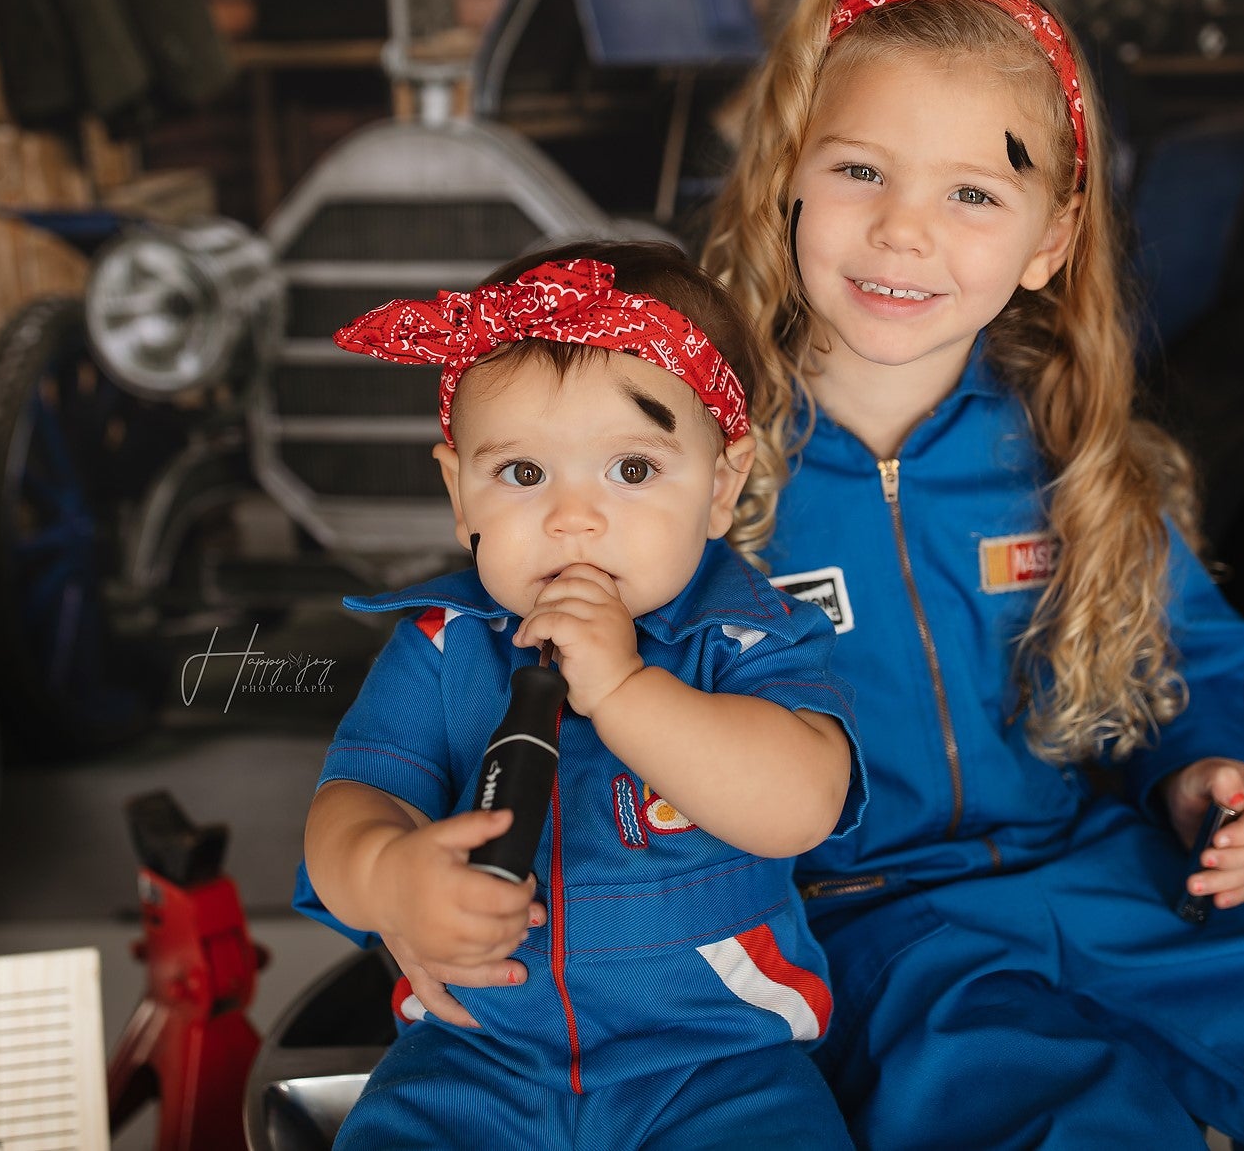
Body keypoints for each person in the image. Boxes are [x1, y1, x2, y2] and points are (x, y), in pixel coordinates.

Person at [683, 0, 1244, 1148]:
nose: (904, 227)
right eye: (858, 170)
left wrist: (1206, 771)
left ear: (1050, 240)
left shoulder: (1072, 455)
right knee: (1084, 1120)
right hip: (864, 925)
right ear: (786, 186)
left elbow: (1178, 668)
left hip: (1096, 872)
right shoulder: (694, 465)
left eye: (973, 191)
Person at [295, 241, 865, 1149]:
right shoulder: (444, 644)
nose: (572, 518)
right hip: (472, 1058)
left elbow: (802, 804)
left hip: (720, 1066)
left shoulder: (749, 637)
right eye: (522, 474)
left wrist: (625, 688)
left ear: (722, 484)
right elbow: (352, 801)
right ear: (459, 492)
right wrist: (386, 876)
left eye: (632, 470)